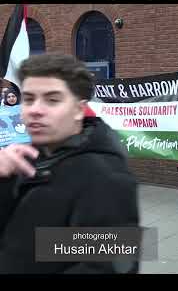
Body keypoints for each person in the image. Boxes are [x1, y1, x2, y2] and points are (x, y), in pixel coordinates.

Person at [0, 54, 139, 274]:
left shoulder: (105, 178)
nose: (35, 109)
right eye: (28, 99)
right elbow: (34, 244)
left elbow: (111, 264)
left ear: (78, 110)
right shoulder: (28, 157)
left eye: (52, 100)